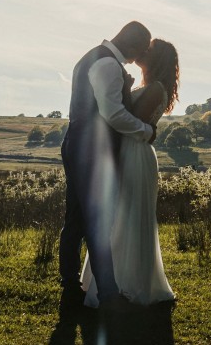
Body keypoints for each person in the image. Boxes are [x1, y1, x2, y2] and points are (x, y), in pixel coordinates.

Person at [58, 22, 156, 310]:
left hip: (78, 144)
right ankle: (109, 295)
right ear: (134, 45)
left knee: (75, 218)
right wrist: (145, 131)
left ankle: (70, 289)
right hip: (93, 150)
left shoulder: (93, 57)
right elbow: (112, 114)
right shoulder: (108, 64)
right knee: (97, 221)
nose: (137, 59)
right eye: (140, 51)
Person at [81, 38, 178, 307]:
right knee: (118, 216)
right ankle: (110, 282)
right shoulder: (149, 86)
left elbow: (130, 117)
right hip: (128, 150)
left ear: (156, 58)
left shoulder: (156, 89)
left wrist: (123, 87)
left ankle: (130, 284)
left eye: (148, 50)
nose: (142, 51)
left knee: (128, 217)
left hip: (135, 153)